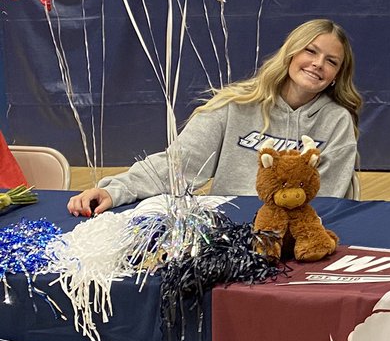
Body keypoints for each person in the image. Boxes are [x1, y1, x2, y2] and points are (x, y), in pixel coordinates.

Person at [67, 19, 362, 216]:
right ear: (290, 55)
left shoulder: (337, 121)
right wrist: (115, 190)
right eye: (310, 51)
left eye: (331, 61)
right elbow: (177, 166)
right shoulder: (236, 104)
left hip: (296, 238)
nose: (317, 64)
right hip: (228, 238)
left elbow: (329, 200)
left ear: (337, 75)